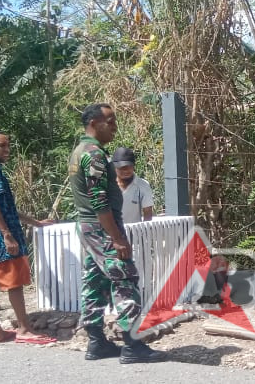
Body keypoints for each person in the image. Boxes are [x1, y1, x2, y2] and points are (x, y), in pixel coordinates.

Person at [69, 103, 166, 363]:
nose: (114, 126)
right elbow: (100, 201)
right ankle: (133, 345)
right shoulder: (95, 155)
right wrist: (117, 238)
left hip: (89, 226)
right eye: (109, 121)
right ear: (93, 123)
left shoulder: (79, 151)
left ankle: (96, 342)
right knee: (125, 278)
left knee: (95, 280)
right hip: (102, 227)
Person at [0, 130, 57, 345]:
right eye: (2, 145)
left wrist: (35, 222)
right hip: (0, 239)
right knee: (15, 283)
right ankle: (24, 329)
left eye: (7, 145)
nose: (7, 150)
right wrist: (7, 235)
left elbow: (5, 207)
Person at [111, 147, 154, 224]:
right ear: (114, 167)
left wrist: (144, 233)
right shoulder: (107, 185)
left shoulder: (143, 185)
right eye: (122, 167)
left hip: (134, 233)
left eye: (129, 167)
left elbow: (148, 214)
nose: (126, 170)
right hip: (112, 233)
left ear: (134, 166)